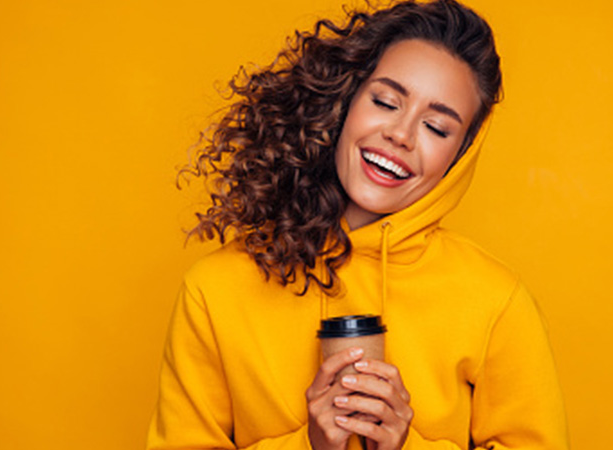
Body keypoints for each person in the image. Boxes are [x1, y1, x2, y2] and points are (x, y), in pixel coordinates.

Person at [147, 1, 568, 449]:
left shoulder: (495, 303)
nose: (401, 135)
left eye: (437, 128)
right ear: (344, 98)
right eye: (386, 101)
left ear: (459, 157)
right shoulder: (215, 292)